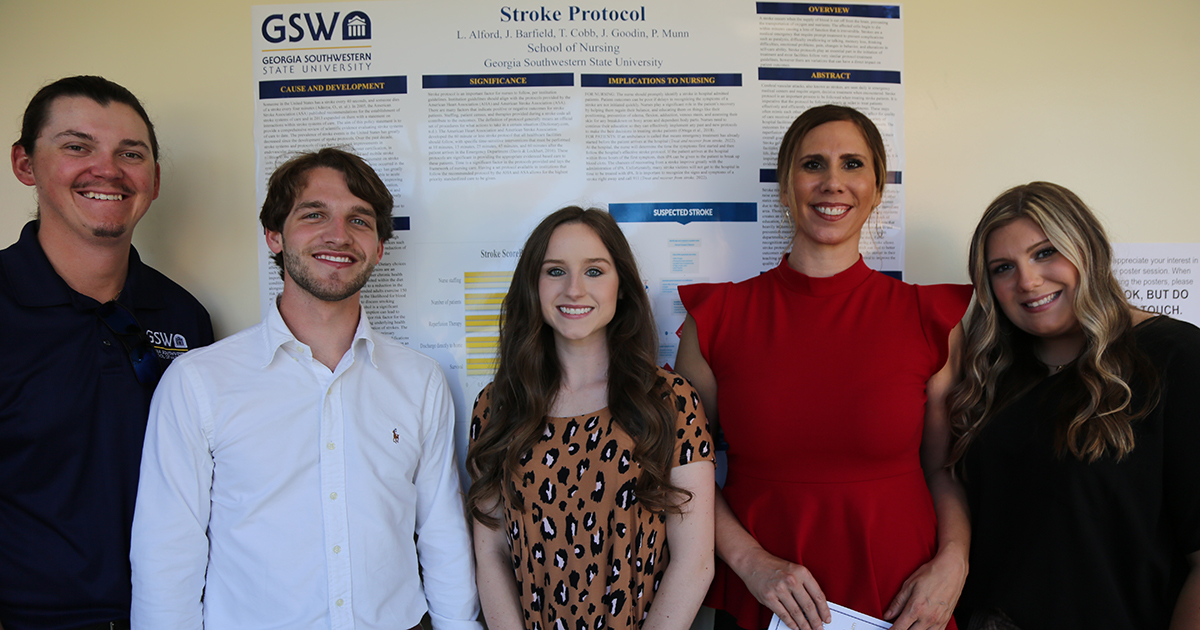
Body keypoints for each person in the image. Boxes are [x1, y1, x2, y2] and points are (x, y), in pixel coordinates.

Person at [129, 148, 482, 630]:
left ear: (378, 248)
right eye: (314, 215)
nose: (338, 234)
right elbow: (167, 553)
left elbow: (441, 533)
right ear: (274, 236)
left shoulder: (420, 380)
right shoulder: (198, 382)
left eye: (359, 220)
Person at [675, 104, 972, 630]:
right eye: (813, 164)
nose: (833, 182)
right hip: (763, 600)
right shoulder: (716, 320)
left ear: (877, 189)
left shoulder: (929, 319)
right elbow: (684, 477)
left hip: (904, 600)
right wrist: (750, 563)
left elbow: (943, 470)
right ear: (786, 188)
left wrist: (954, 562)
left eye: (852, 164)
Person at [0, 75, 214, 630]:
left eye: (131, 153)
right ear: (25, 164)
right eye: (76, 147)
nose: (108, 169)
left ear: (155, 179)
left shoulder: (183, 317)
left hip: (173, 615)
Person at [948, 182, 1200, 630]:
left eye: (1045, 253)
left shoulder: (1177, 356)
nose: (1027, 281)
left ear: (1088, 249)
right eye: (1003, 267)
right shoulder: (992, 376)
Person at [467, 207, 716, 630]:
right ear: (533, 286)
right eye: (555, 271)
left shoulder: (669, 401)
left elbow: (694, 563)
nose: (574, 289)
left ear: (622, 287)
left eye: (595, 271)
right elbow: (491, 552)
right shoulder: (498, 406)